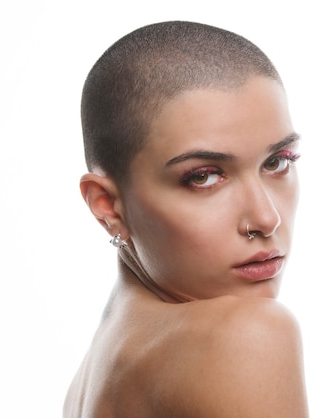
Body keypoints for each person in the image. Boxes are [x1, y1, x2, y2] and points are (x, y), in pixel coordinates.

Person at [63, 21, 308, 417]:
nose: (266, 218)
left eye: (277, 162)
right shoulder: (248, 336)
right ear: (107, 205)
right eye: (203, 176)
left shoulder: (106, 356)